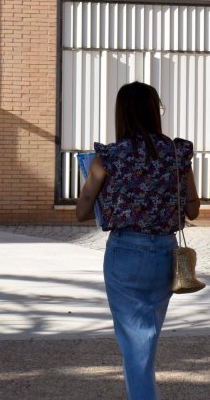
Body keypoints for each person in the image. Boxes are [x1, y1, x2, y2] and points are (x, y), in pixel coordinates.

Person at [75, 81, 201, 400]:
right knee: (144, 342)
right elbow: (193, 209)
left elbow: (81, 211)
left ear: (122, 114)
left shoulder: (108, 157)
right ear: (154, 111)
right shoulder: (176, 152)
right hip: (165, 253)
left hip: (125, 252)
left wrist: (112, 201)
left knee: (136, 346)